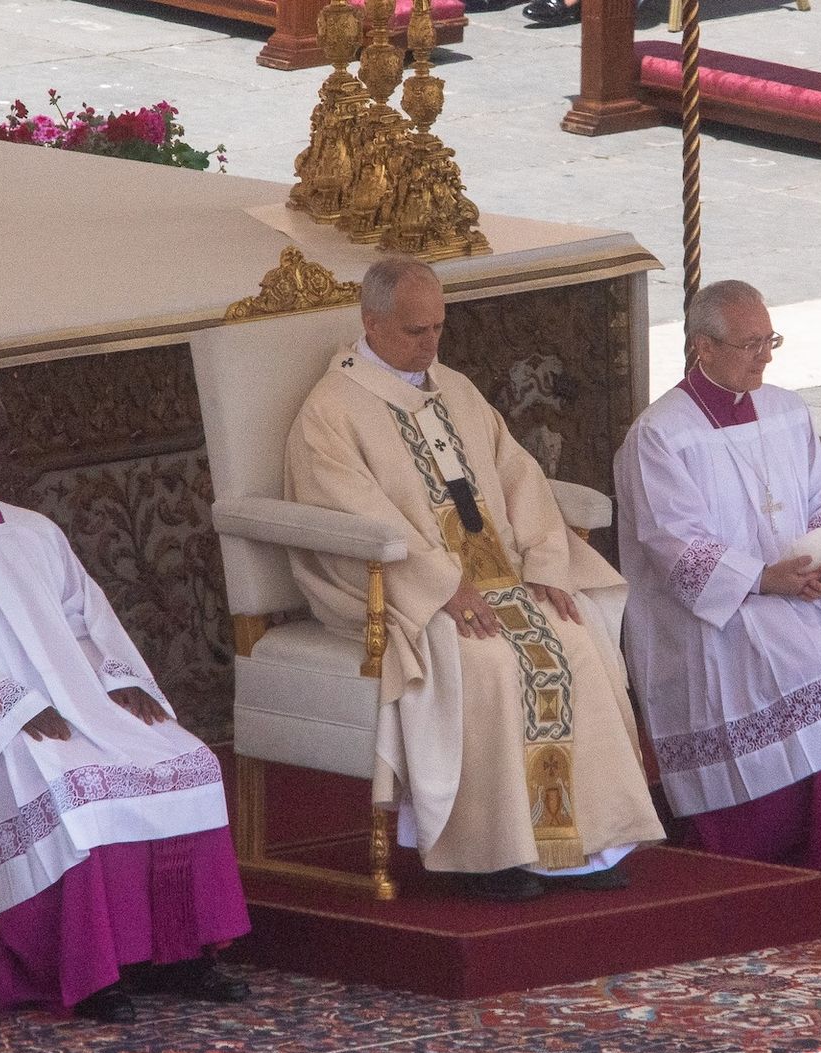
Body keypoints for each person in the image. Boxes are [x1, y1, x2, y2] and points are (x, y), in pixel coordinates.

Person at [0, 384, 250, 1024]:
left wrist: (120, 678)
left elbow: (85, 615)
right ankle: (92, 974)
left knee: (190, 761)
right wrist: (11, 707)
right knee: (68, 789)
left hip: (83, 703)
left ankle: (181, 956)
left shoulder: (35, 530)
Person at [284, 256, 665, 901]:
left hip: (503, 577)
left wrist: (546, 566)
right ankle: (490, 854)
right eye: (414, 330)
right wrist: (441, 587)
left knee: (577, 638)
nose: (430, 344)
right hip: (409, 590)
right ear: (371, 323)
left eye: (438, 327)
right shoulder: (333, 411)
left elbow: (521, 480)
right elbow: (354, 513)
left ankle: (577, 848)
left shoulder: (455, 389)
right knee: (486, 663)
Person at [614, 281, 821, 888]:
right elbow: (670, 541)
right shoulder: (660, 435)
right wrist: (764, 579)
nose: (765, 357)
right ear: (703, 347)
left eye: (771, 341)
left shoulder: (788, 410)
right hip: (723, 609)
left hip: (806, 587)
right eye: (750, 345)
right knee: (806, 667)